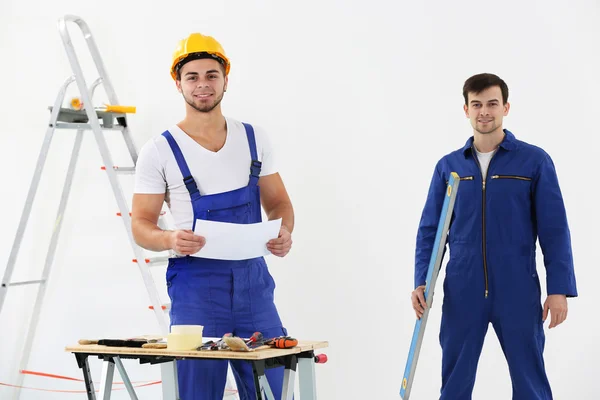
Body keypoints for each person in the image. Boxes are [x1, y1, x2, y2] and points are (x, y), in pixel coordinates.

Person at [131, 32, 294, 400]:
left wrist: (284, 232)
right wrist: (170, 239)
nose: (202, 84)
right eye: (192, 77)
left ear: (225, 80)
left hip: (254, 286)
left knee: (275, 387)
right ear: (178, 84)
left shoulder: (254, 139)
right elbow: (140, 224)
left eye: (211, 75)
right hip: (195, 288)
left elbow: (280, 204)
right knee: (199, 390)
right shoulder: (159, 151)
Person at [411, 73, 577, 399]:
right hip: (463, 289)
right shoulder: (449, 167)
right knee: (455, 385)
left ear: (506, 107)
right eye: (477, 105)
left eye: (492, 104)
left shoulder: (534, 162)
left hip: (517, 288)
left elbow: (555, 230)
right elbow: (431, 230)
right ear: (466, 110)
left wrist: (559, 289)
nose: (484, 111)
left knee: (530, 383)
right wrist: (422, 281)